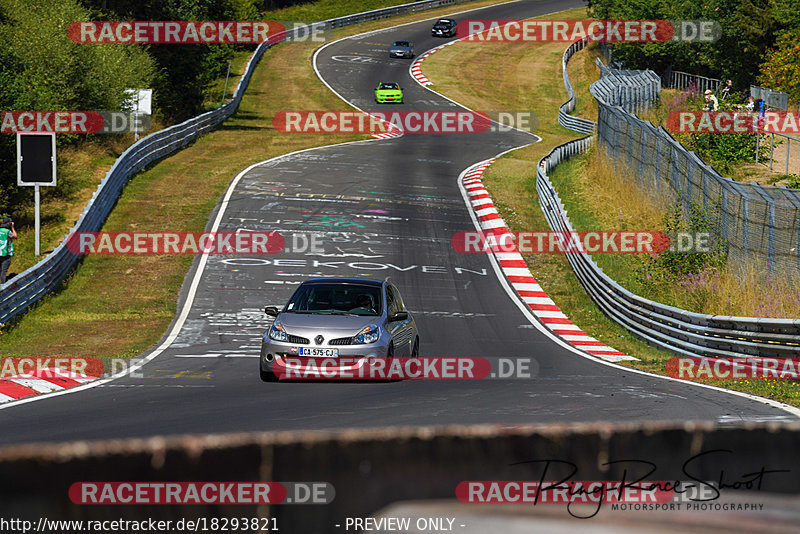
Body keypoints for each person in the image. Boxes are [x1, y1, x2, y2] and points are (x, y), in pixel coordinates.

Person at [0, 217, 16, 284]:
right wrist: (12, 227)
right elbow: (15, 236)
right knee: (4, 270)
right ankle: (3, 285)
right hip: (5, 253)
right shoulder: (7, 232)